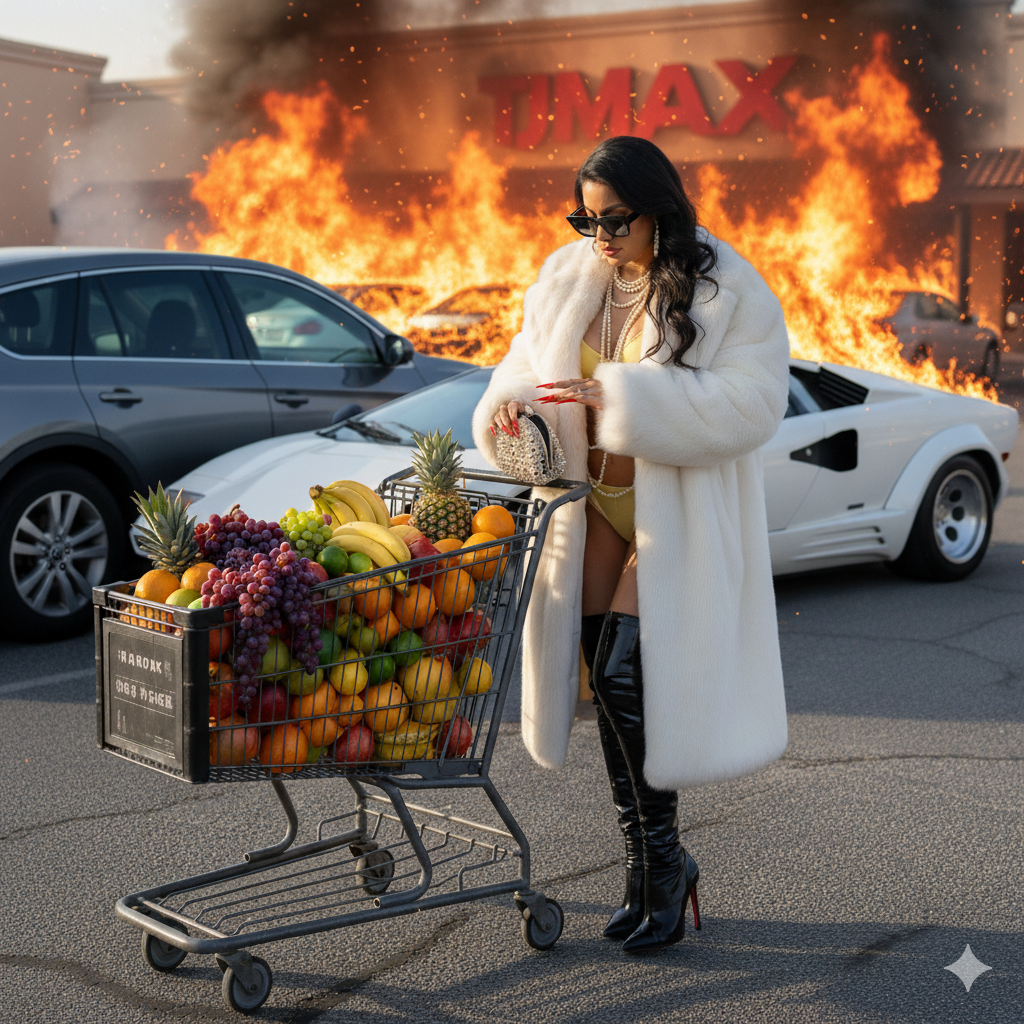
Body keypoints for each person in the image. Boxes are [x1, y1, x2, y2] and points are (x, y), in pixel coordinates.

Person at [471, 135, 790, 952]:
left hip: (673, 509)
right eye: (585, 216)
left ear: (660, 210)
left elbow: (754, 404)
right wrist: (512, 410)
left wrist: (616, 393)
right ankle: (647, 874)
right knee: (602, 680)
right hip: (592, 504)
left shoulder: (726, 287)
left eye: (616, 219)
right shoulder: (565, 277)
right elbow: (515, 367)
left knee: (621, 671)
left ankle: (666, 863)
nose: (599, 235)